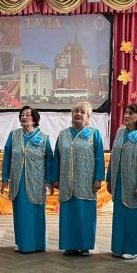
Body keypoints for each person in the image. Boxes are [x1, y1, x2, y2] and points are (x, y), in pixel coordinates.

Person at [52, 101, 105, 255]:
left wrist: (98, 179)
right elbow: (57, 158)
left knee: (85, 214)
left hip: (86, 183)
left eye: (82, 112)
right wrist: (55, 178)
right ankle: (69, 245)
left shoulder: (94, 133)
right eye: (76, 111)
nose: (78, 114)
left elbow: (99, 158)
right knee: (68, 215)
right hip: (66, 182)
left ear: (88, 116)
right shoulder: (63, 134)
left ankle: (84, 245)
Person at [1, 106, 54, 253]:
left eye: (28, 115)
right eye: (22, 115)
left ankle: (38, 244)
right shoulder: (14, 135)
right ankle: (22, 243)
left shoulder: (43, 137)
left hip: (37, 182)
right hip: (18, 181)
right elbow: (7, 157)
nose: (24, 117)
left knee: (36, 213)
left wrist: (48, 181)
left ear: (34, 119)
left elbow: (49, 160)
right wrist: (5, 178)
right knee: (21, 213)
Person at [106, 103, 137, 259]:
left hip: (135, 182)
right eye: (125, 112)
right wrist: (109, 179)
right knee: (120, 215)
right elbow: (114, 156)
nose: (126, 115)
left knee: (134, 215)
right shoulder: (120, 131)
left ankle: (133, 249)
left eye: (130, 113)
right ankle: (118, 247)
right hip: (119, 181)